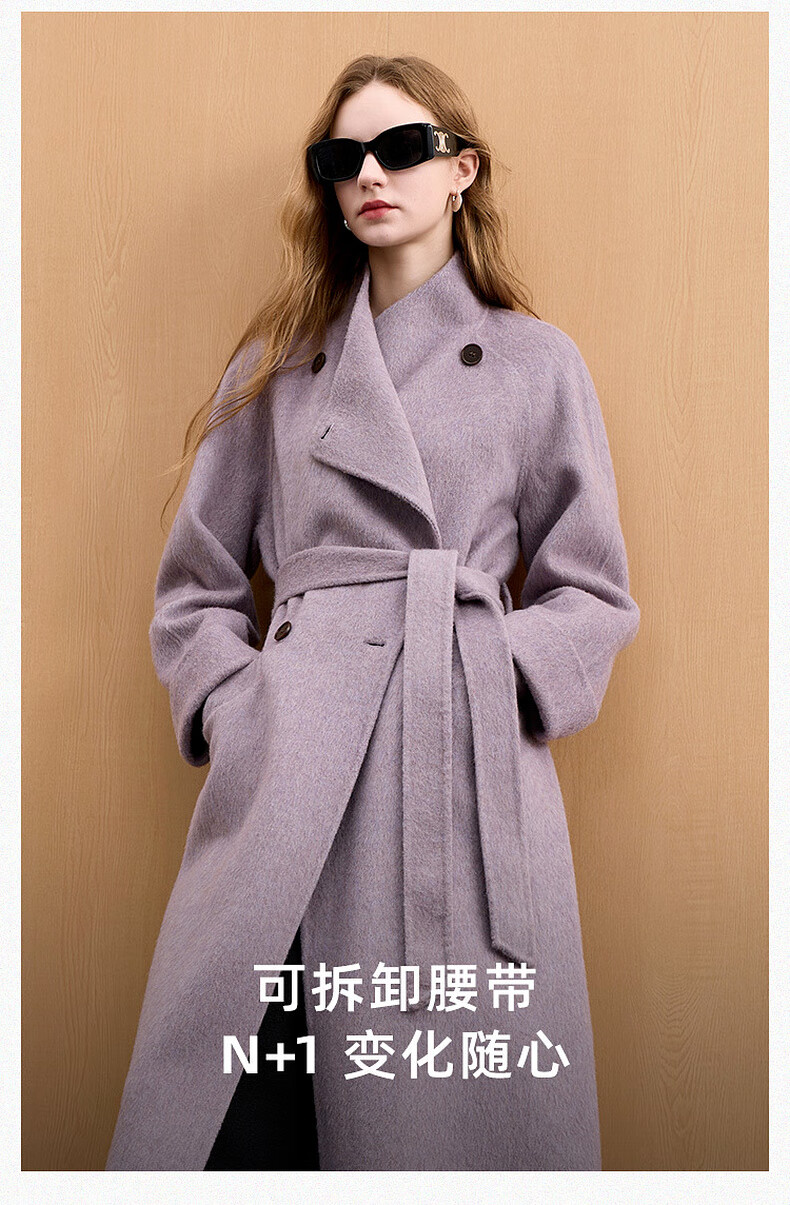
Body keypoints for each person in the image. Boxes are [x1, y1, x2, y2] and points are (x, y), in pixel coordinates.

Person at [105, 53, 640, 1173]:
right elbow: (195, 586)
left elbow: (591, 593)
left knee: (432, 1117)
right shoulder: (275, 370)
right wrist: (245, 707)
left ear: (462, 169)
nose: (370, 176)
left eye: (401, 148)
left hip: (453, 769)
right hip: (291, 764)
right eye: (342, 157)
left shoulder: (537, 365)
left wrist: (485, 674)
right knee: (242, 1110)